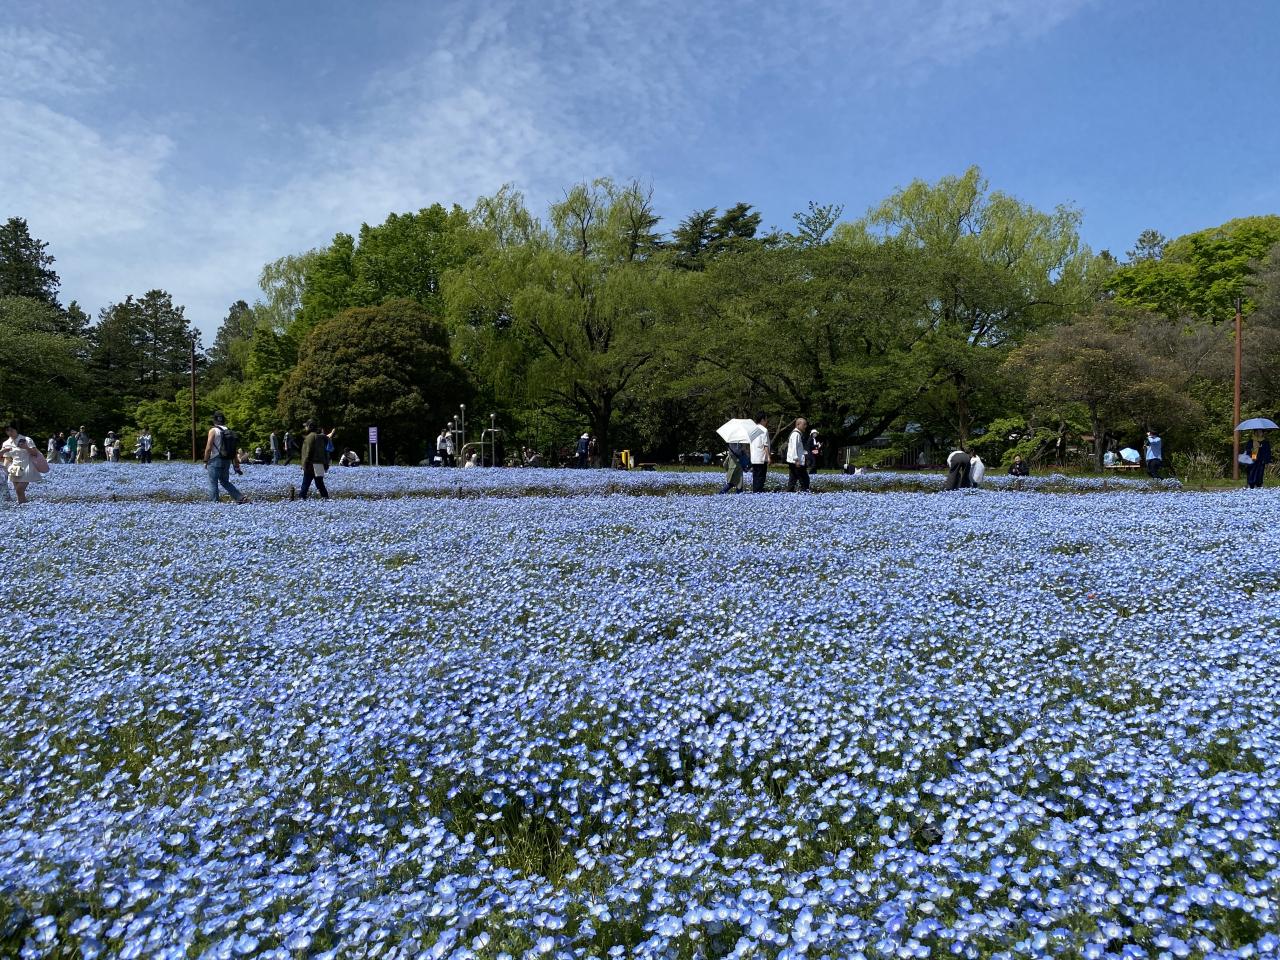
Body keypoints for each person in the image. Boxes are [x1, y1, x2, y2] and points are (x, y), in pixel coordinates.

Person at [203, 411, 248, 504]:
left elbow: (208, 447)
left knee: (213, 482)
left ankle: (214, 503)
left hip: (215, 459)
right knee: (225, 482)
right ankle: (240, 497)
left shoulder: (213, 430)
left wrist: (206, 460)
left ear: (214, 421)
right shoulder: (229, 431)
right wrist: (236, 463)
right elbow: (233, 449)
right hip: (227, 459)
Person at [2, 424, 45, 505]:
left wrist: (26, 447)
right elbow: (7, 458)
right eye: (7, 430)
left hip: (28, 466)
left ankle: (25, 506)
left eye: (12, 430)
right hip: (15, 468)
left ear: (16, 430)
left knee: (19, 489)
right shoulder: (6, 443)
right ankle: (23, 506)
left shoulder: (26, 439)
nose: (10, 432)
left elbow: (35, 453)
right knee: (18, 492)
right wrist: (5, 469)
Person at [297, 420, 330, 500]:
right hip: (320, 463)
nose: (305, 427)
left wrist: (305, 464)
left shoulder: (310, 437)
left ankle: (301, 498)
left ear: (310, 427)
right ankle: (325, 498)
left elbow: (308, 452)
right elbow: (325, 451)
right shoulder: (320, 436)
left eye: (306, 426)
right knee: (320, 484)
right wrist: (326, 463)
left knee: (306, 483)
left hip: (311, 464)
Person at [786, 417, 811, 492]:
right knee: (804, 479)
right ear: (798, 424)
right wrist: (796, 460)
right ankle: (805, 493)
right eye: (804, 424)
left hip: (794, 461)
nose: (805, 426)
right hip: (797, 461)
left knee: (793, 478)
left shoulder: (797, 434)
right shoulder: (796, 434)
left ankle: (789, 492)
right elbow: (794, 448)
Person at [749, 413, 771, 493]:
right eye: (766, 419)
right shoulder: (764, 430)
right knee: (761, 477)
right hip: (761, 457)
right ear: (762, 420)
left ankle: (755, 492)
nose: (767, 421)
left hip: (754, 457)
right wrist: (768, 457)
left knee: (755, 476)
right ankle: (759, 492)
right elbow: (765, 445)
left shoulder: (752, 430)